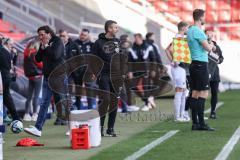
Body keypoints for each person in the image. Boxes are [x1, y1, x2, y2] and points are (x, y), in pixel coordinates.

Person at [24, 25, 65, 137]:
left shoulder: (57, 41)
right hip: (47, 77)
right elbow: (37, 59)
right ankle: (38, 128)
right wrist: (42, 49)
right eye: (39, 35)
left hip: (58, 77)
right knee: (44, 103)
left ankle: (74, 126)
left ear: (49, 33)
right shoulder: (43, 44)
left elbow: (55, 56)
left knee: (61, 102)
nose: (40, 37)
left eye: (42, 34)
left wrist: (46, 46)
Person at [93, 20, 122, 137]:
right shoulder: (98, 43)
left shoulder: (117, 42)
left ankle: (110, 129)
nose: (117, 29)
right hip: (104, 76)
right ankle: (99, 129)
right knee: (104, 101)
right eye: (115, 27)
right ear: (109, 29)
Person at [187, 9, 215, 131]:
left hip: (194, 64)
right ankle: (202, 123)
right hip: (201, 64)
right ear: (200, 18)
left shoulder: (190, 30)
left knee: (195, 93)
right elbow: (208, 49)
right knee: (203, 93)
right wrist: (211, 42)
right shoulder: (198, 31)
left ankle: (195, 123)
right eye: (204, 17)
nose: (205, 19)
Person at [165, 21, 191, 122]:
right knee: (180, 91)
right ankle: (177, 116)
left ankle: (181, 115)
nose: (188, 30)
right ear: (183, 28)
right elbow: (169, 50)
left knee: (184, 92)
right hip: (178, 68)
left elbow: (167, 49)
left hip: (181, 68)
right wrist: (174, 60)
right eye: (187, 28)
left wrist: (172, 60)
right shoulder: (179, 38)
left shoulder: (179, 38)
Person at [128, 33, 156, 111]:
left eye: (136, 38)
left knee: (145, 87)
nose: (135, 40)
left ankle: (147, 104)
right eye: (135, 38)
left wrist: (153, 69)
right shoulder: (132, 48)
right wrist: (130, 71)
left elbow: (153, 59)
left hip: (146, 70)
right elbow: (129, 61)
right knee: (134, 87)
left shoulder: (148, 47)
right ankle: (147, 100)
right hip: (136, 71)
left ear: (141, 38)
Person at [74, 28, 96, 109]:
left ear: (88, 36)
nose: (83, 36)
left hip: (88, 71)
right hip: (78, 70)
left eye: (85, 35)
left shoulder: (92, 44)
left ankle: (90, 109)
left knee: (89, 90)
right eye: (82, 34)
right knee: (78, 89)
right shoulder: (75, 43)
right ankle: (77, 108)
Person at [0, 38, 21, 122]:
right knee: (6, 98)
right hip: (6, 77)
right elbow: (10, 65)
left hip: (3, 78)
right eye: (11, 44)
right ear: (6, 43)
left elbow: (9, 66)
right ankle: (15, 117)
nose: (12, 46)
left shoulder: (3, 51)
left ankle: (15, 117)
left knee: (7, 98)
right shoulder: (5, 52)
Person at [205, 29, 224, 119]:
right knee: (202, 92)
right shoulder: (202, 45)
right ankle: (197, 112)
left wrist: (218, 59)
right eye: (208, 34)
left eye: (211, 35)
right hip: (204, 71)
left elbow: (221, 58)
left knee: (214, 93)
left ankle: (213, 112)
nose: (210, 36)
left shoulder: (216, 46)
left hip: (214, 73)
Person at [23, 40, 43, 121]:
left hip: (30, 77)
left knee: (29, 96)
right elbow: (41, 65)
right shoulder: (35, 53)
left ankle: (26, 114)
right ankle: (35, 114)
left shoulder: (26, 53)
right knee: (36, 96)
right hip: (38, 76)